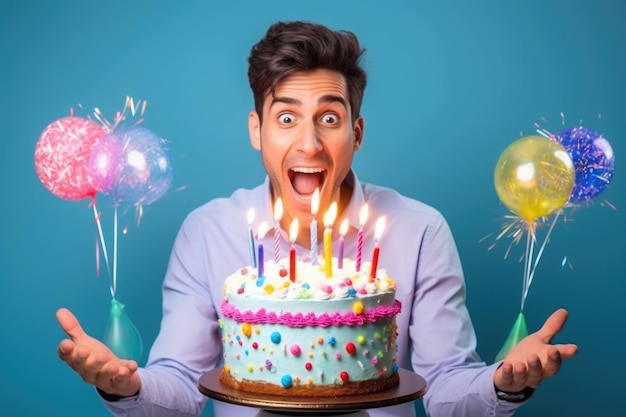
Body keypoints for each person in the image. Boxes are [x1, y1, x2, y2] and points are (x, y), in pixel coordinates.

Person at [56, 20, 578, 417]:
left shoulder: (420, 229)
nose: (309, 143)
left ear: (357, 132)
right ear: (256, 130)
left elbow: (445, 387)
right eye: (286, 119)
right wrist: (123, 386)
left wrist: (506, 383)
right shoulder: (209, 231)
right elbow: (178, 383)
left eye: (329, 119)